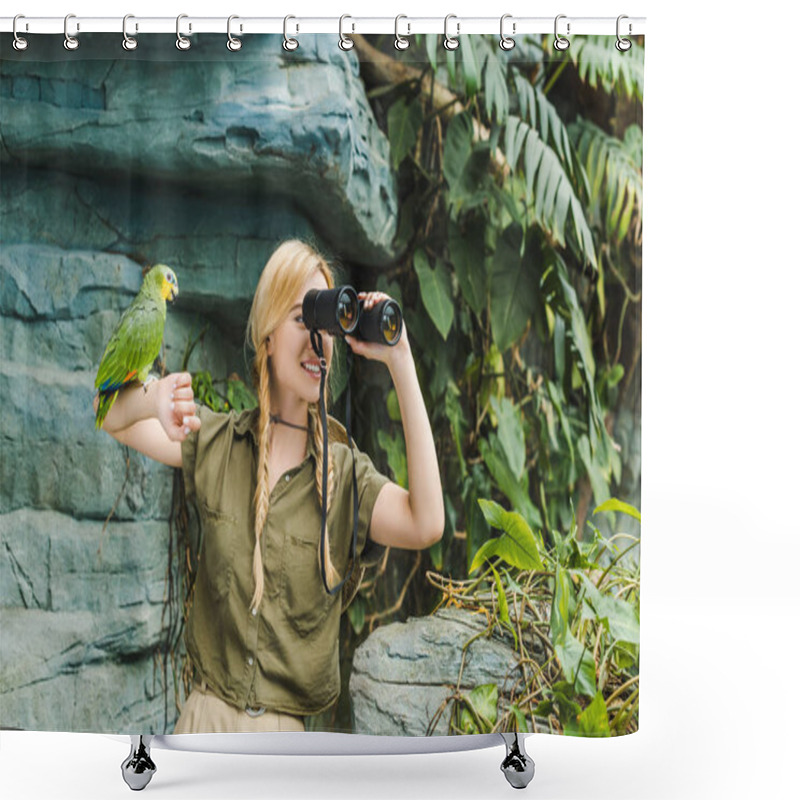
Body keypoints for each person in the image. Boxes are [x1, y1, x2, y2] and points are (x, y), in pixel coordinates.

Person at [93, 240, 445, 733]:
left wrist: (401, 360)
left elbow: (426, 522)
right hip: (204, 727)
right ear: (268, 337)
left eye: (327, 325)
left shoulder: (343, 478)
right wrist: (153, 400)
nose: (318, 339)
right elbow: (113, 419)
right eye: (304, 319)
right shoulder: (220, 443)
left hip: (285, 749)